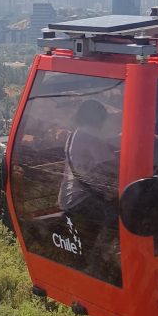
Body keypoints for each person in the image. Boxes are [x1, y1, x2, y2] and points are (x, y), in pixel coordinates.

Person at [58, 99, 121, 282]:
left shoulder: (75, 134)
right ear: (97, 118)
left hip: (69, 197)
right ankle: (98, 262)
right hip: (81, 199)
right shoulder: (90, 135)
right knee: (117, 216)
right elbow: (109, 165)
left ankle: (101, 258)